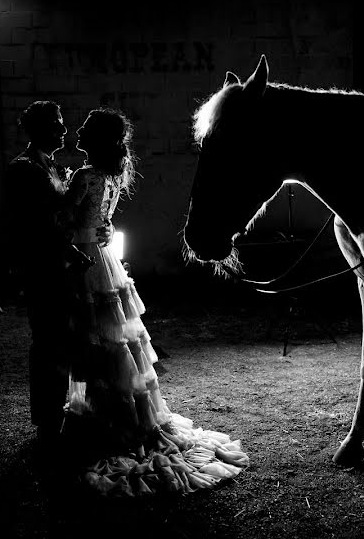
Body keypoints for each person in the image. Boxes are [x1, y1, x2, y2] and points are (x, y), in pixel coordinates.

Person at [61, 107, 248, 496]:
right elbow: (102, 221)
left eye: (85, 128)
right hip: (104, 256)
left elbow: (63, 222)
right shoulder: (111, 177)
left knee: (96, 339)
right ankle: (122, 414)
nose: (77, 131)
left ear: (93, 139)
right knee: (116, 340)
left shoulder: (83, 176)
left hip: (84, 259)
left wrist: (60, 200)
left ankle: (103, 419)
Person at [4, 101, 110, 459]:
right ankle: (46, 423)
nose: (64, 131)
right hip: (44, 267)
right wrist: (68, 251)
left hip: (65, 268)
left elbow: (66, 216)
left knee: (63, 340)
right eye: (55, 124)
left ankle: (59, 414)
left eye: (62, 123)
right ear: (35, 129)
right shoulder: (23, 169)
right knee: (47, 339)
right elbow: (33, 225)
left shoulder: (52, 165)